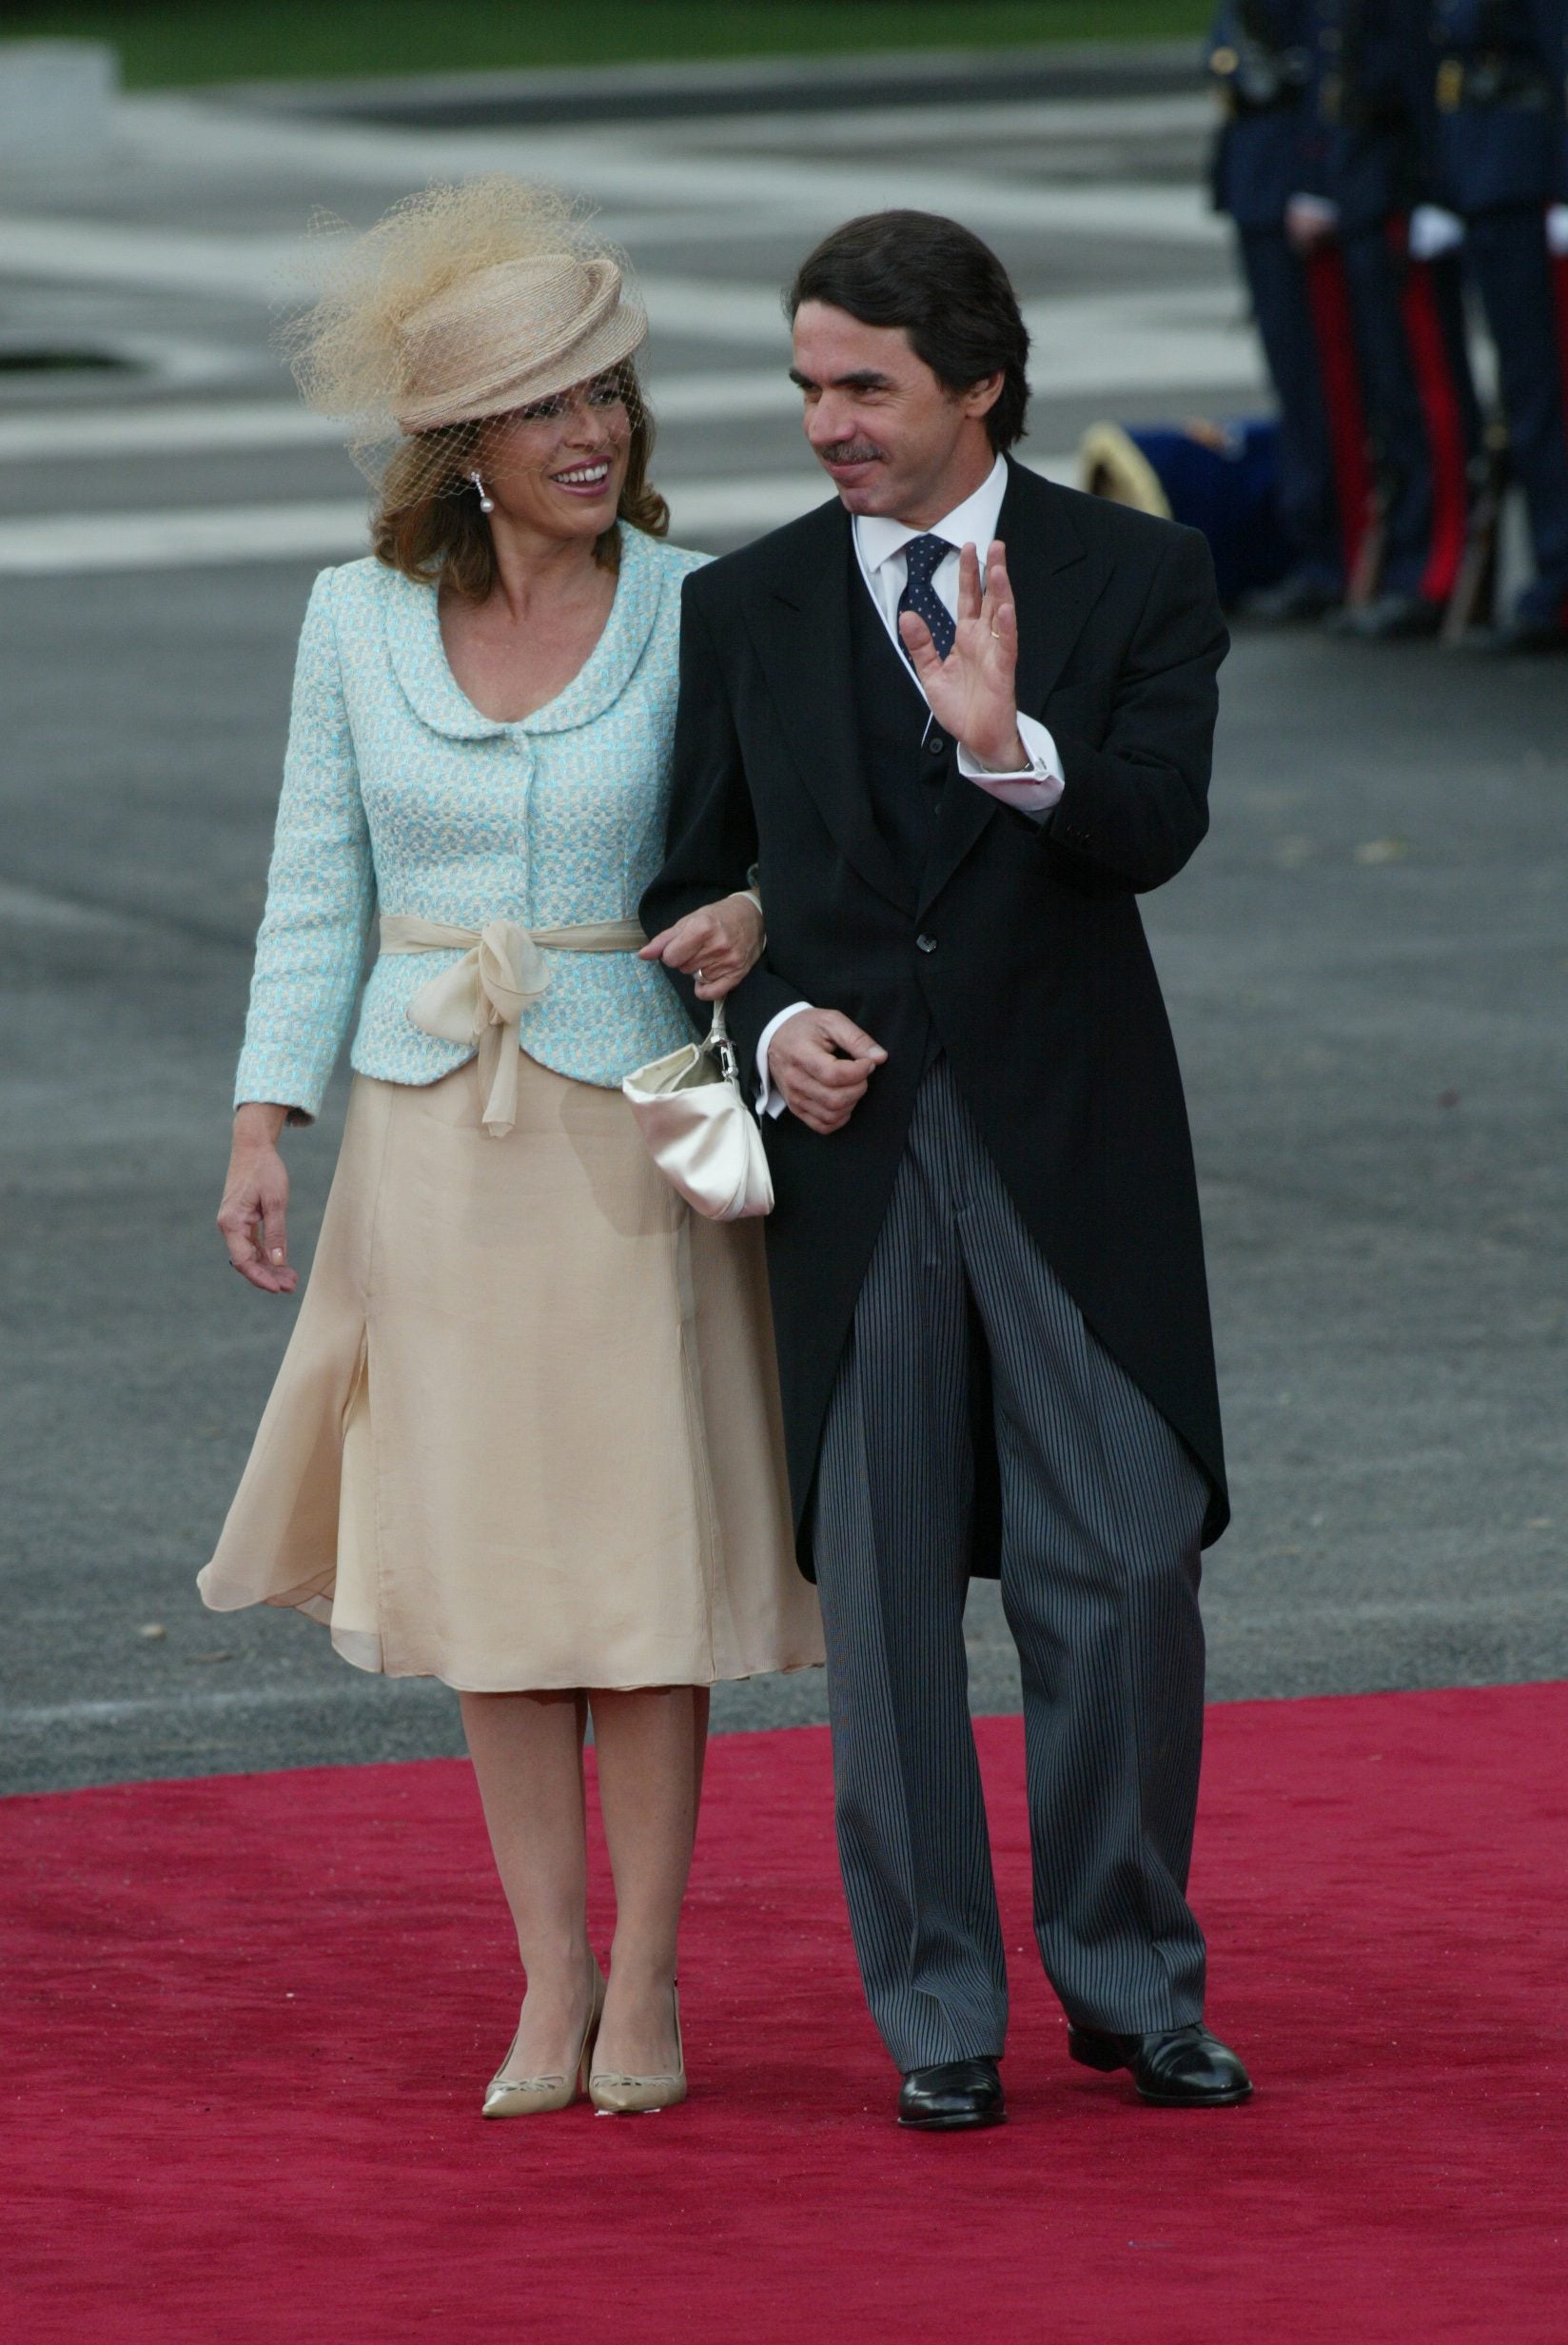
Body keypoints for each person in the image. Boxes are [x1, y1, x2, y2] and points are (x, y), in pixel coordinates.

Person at [199, 178, 823, 2121]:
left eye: (608, 393)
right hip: (425, 1134)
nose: (591, 433)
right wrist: (261, 1113)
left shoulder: (710, 594)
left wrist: (750, 915)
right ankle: (544, 1982)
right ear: (458, 444)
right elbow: (317, 884)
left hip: (647, 1116)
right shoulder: (350, 617)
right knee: (489, 1569)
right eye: (547, 405)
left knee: (641, 1559)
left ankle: (644, 1986)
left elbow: (794, 847)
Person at [644, 210, 1253, 2132]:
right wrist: (764, 1030)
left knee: (1126, 1567)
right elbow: (680, 882)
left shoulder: (1134, 570)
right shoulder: (739, 605)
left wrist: (1009, 750)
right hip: (851, 1158)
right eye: (806, 383)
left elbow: (1154, 827)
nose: (825, 419)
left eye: (864, 386)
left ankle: (1133, 1979)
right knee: (890, 1593)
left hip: (1073, 1153)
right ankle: (933, 2014)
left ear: (977, 379)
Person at [1424, 0, 1568, 647]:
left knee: (1543, 393)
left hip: (1528, 174)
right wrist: (1444, 185)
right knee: (1523, 393)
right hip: (1486, 171)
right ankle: (1549, 573)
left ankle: (1557, 580)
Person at [1209, 2, 1349, 617]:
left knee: (1313, 378)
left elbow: (1325, 63)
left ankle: (1328, 549)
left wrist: (1315, 180)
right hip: (1258, 172)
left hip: (1291, 170)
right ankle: (1313, 543)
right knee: (1292, 376)